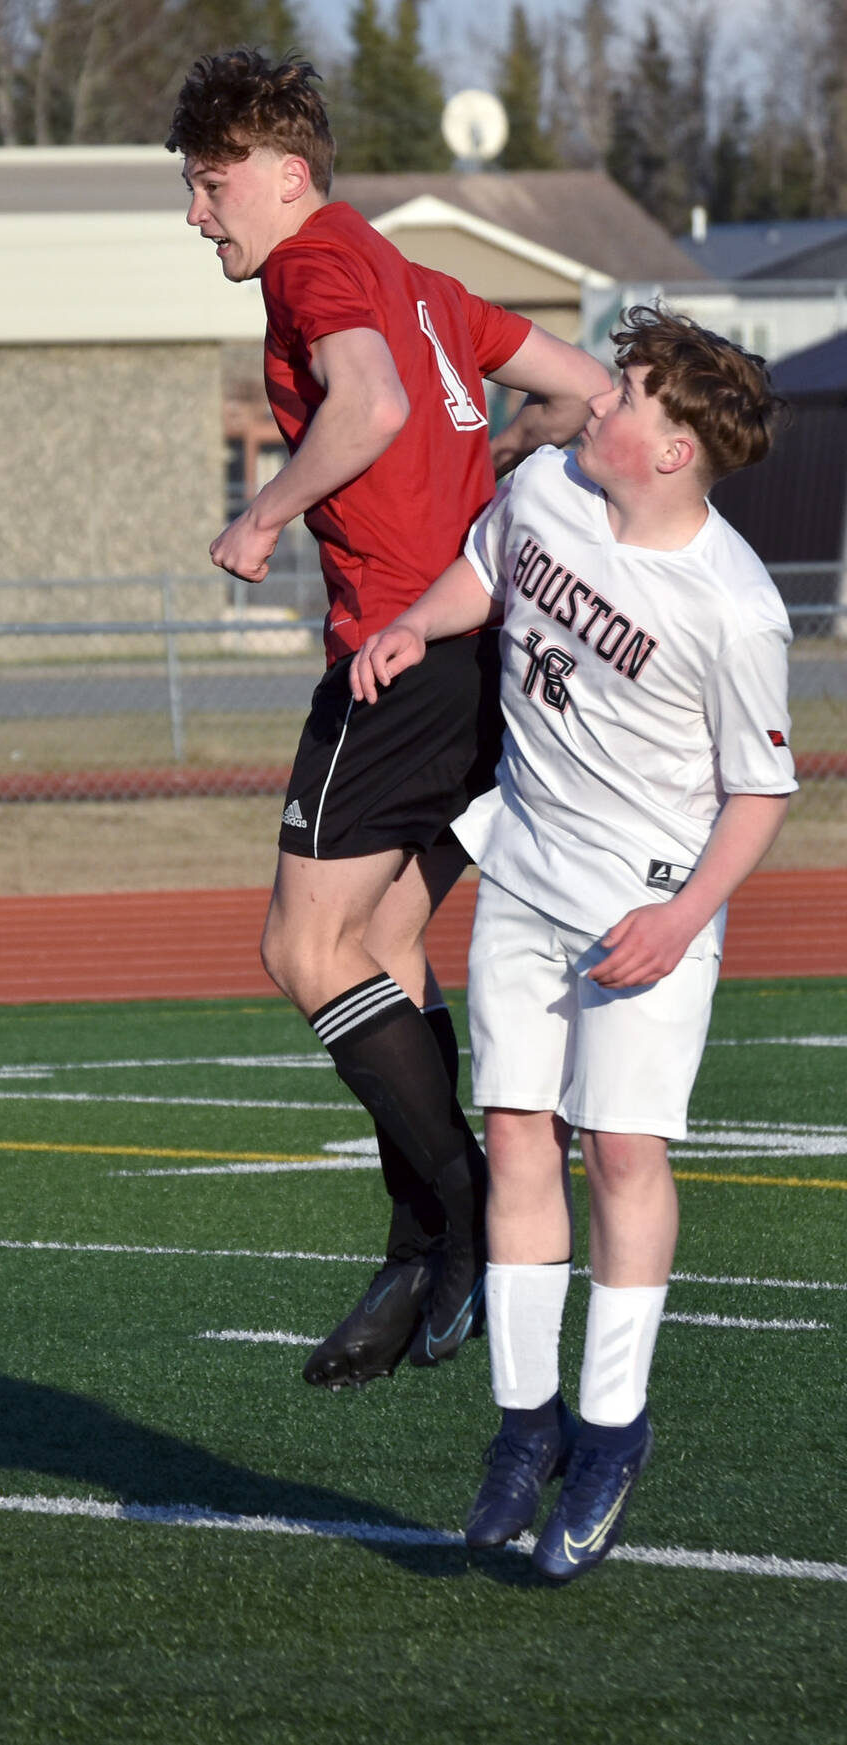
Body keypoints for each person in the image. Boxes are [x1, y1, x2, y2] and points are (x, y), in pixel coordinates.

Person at [166, 49, 612, 1387]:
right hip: (487, 659)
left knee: (304, 949)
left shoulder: (315, 266)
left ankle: (461, 1208)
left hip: (398, 663)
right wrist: (502, 474)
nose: (198, 214)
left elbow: (370, 406)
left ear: (286, 177)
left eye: (210, 183)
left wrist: (263, 509)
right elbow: (587, 389)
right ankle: (422, 1243)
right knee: (392, 942)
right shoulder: (425, 283)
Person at [352, 308, 792, 1579]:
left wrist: (679, 916)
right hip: (524, 875)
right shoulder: (543, 485)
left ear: (671, 449)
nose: (595, 404)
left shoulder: (733, 607)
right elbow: (484, 571)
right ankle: (522, 1420)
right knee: (513, 1137)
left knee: (620, 1153)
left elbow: (757, 791)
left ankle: (608, 1431)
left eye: (626, 397)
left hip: (644, 907)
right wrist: (416, 625)